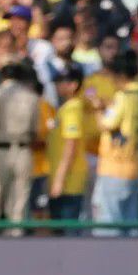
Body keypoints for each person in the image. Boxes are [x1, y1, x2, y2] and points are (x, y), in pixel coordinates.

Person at [92, 50, 138, 235]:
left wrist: (98, 109)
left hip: (115, 167)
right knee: (131, 222)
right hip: (136, 165)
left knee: (108, 224)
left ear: (120, 76)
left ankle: (110, 262)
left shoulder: (123, 97)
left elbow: (107, 124)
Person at [0, 60, 41, 235]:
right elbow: (35, 133)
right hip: (23, 149)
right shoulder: (31, 96)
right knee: (18, 206)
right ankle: (16, 242)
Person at [44, 63, 96, 226]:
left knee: (67, 232)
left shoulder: (72, 108)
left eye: (62, 81)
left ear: (73, 85)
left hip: (69, 181)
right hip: (65, 178)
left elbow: (71, 145)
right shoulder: (69, 106)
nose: (58, 85)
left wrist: (59, 180)